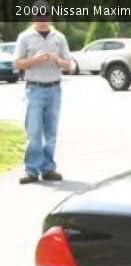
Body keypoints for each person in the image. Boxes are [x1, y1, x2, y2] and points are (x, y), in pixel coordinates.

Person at [13, 1, 71, 185]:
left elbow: (69, 64)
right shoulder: (25, 37)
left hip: (54, 88)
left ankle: (48, 168)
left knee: (51, 131)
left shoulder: (58, 37)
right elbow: (18, 63)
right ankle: (31, 170)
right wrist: (35, 60)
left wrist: (56, 59)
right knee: (34, 130)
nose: (43, 19)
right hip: (35, 88)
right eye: (39, 15)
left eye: (45, 15)